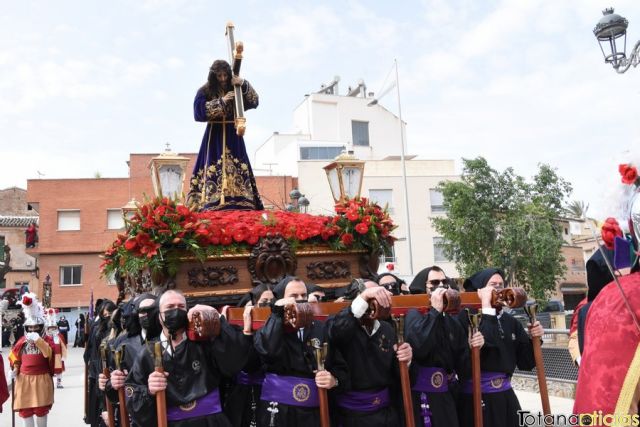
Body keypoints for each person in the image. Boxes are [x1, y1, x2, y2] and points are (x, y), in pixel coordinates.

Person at [125, 289, 250, 426]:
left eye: (181, 307)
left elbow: (235, 361)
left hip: (212, 422)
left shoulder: (205, 343)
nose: (176, 311)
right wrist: (149, 390)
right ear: (159, 316)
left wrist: (214, 317)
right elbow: (133, 398)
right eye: (170, 307)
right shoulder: (147, 353)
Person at [456, 268, 544, 427]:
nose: (498, 289)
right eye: (492, 285)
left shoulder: (510, 321)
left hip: (505, 396)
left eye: (500, 285)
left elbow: (527, 362)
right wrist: (486, 306)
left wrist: (535, 339)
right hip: (476, 397)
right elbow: (488, 339)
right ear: (481, 290)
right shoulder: (467, 317)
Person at [254, 276, 339, 426]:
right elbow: (268, 351)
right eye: (293, 296)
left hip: (313, 413)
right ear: (280, 299)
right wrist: (276, 314)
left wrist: (334, 380)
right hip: (279, 411)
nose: (300, 300)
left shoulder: (321, 328)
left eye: (303, 296)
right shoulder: (269, 328)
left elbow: (339, 366)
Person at [326, 278, 412, 426]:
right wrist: (364, 297)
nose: (375, 301)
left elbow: (394, 374)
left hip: (385, 414)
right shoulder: (339, 324)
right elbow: (338, 332)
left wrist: (406, 359)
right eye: (372, 296)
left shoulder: (387, 329)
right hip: (352, 416)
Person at [405, 268, 484, 427]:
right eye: (434, 283)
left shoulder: (450, 319)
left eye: (444, 282)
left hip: (447, 394)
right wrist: (434, 311)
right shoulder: (413, 313)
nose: (441, 286)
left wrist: (473, 348)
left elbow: (462, 367)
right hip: (423, 396)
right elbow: (419, 347)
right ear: (423, 287)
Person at [186, 59, 263, 211]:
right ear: (213, 76)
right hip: (214, 135)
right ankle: (211, 200)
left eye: (224, 75)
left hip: (234, 134)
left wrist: (244, 84)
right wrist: (221, 101)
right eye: (219, 76)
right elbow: (198, 112)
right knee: (212, 164)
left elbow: (254, 101)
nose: (222, 79)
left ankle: (240, 199)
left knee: (238, 164)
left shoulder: (236, 88)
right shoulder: (205, 90)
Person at [224, 284, 273, 427]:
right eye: (264, 303)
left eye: (272, 302)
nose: (268, 306)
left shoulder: (274, 326)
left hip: (269, 389)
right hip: (243, 392)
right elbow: (247, 362)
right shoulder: (236, 329)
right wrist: (247, 332)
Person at [9, 292, 55, 427]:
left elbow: (50, 355)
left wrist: (39, 341)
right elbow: (15, 357)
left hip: (41, 379)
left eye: (36, 327)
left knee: (41, 411)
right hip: (23, 380)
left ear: (41, 328)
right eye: (30, 327)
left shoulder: (47, 341)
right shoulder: (21, 341)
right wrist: (14, 369)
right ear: (26, 328)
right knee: (26, 411)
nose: (33, 329)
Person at [83, 299, 116, 426]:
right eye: (105, 315)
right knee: (99, 409)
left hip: (111, 372)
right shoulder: (97, 329)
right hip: (97, 372)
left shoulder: (118, 329)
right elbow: (89, 351)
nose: (108, 318)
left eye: (110, 314)